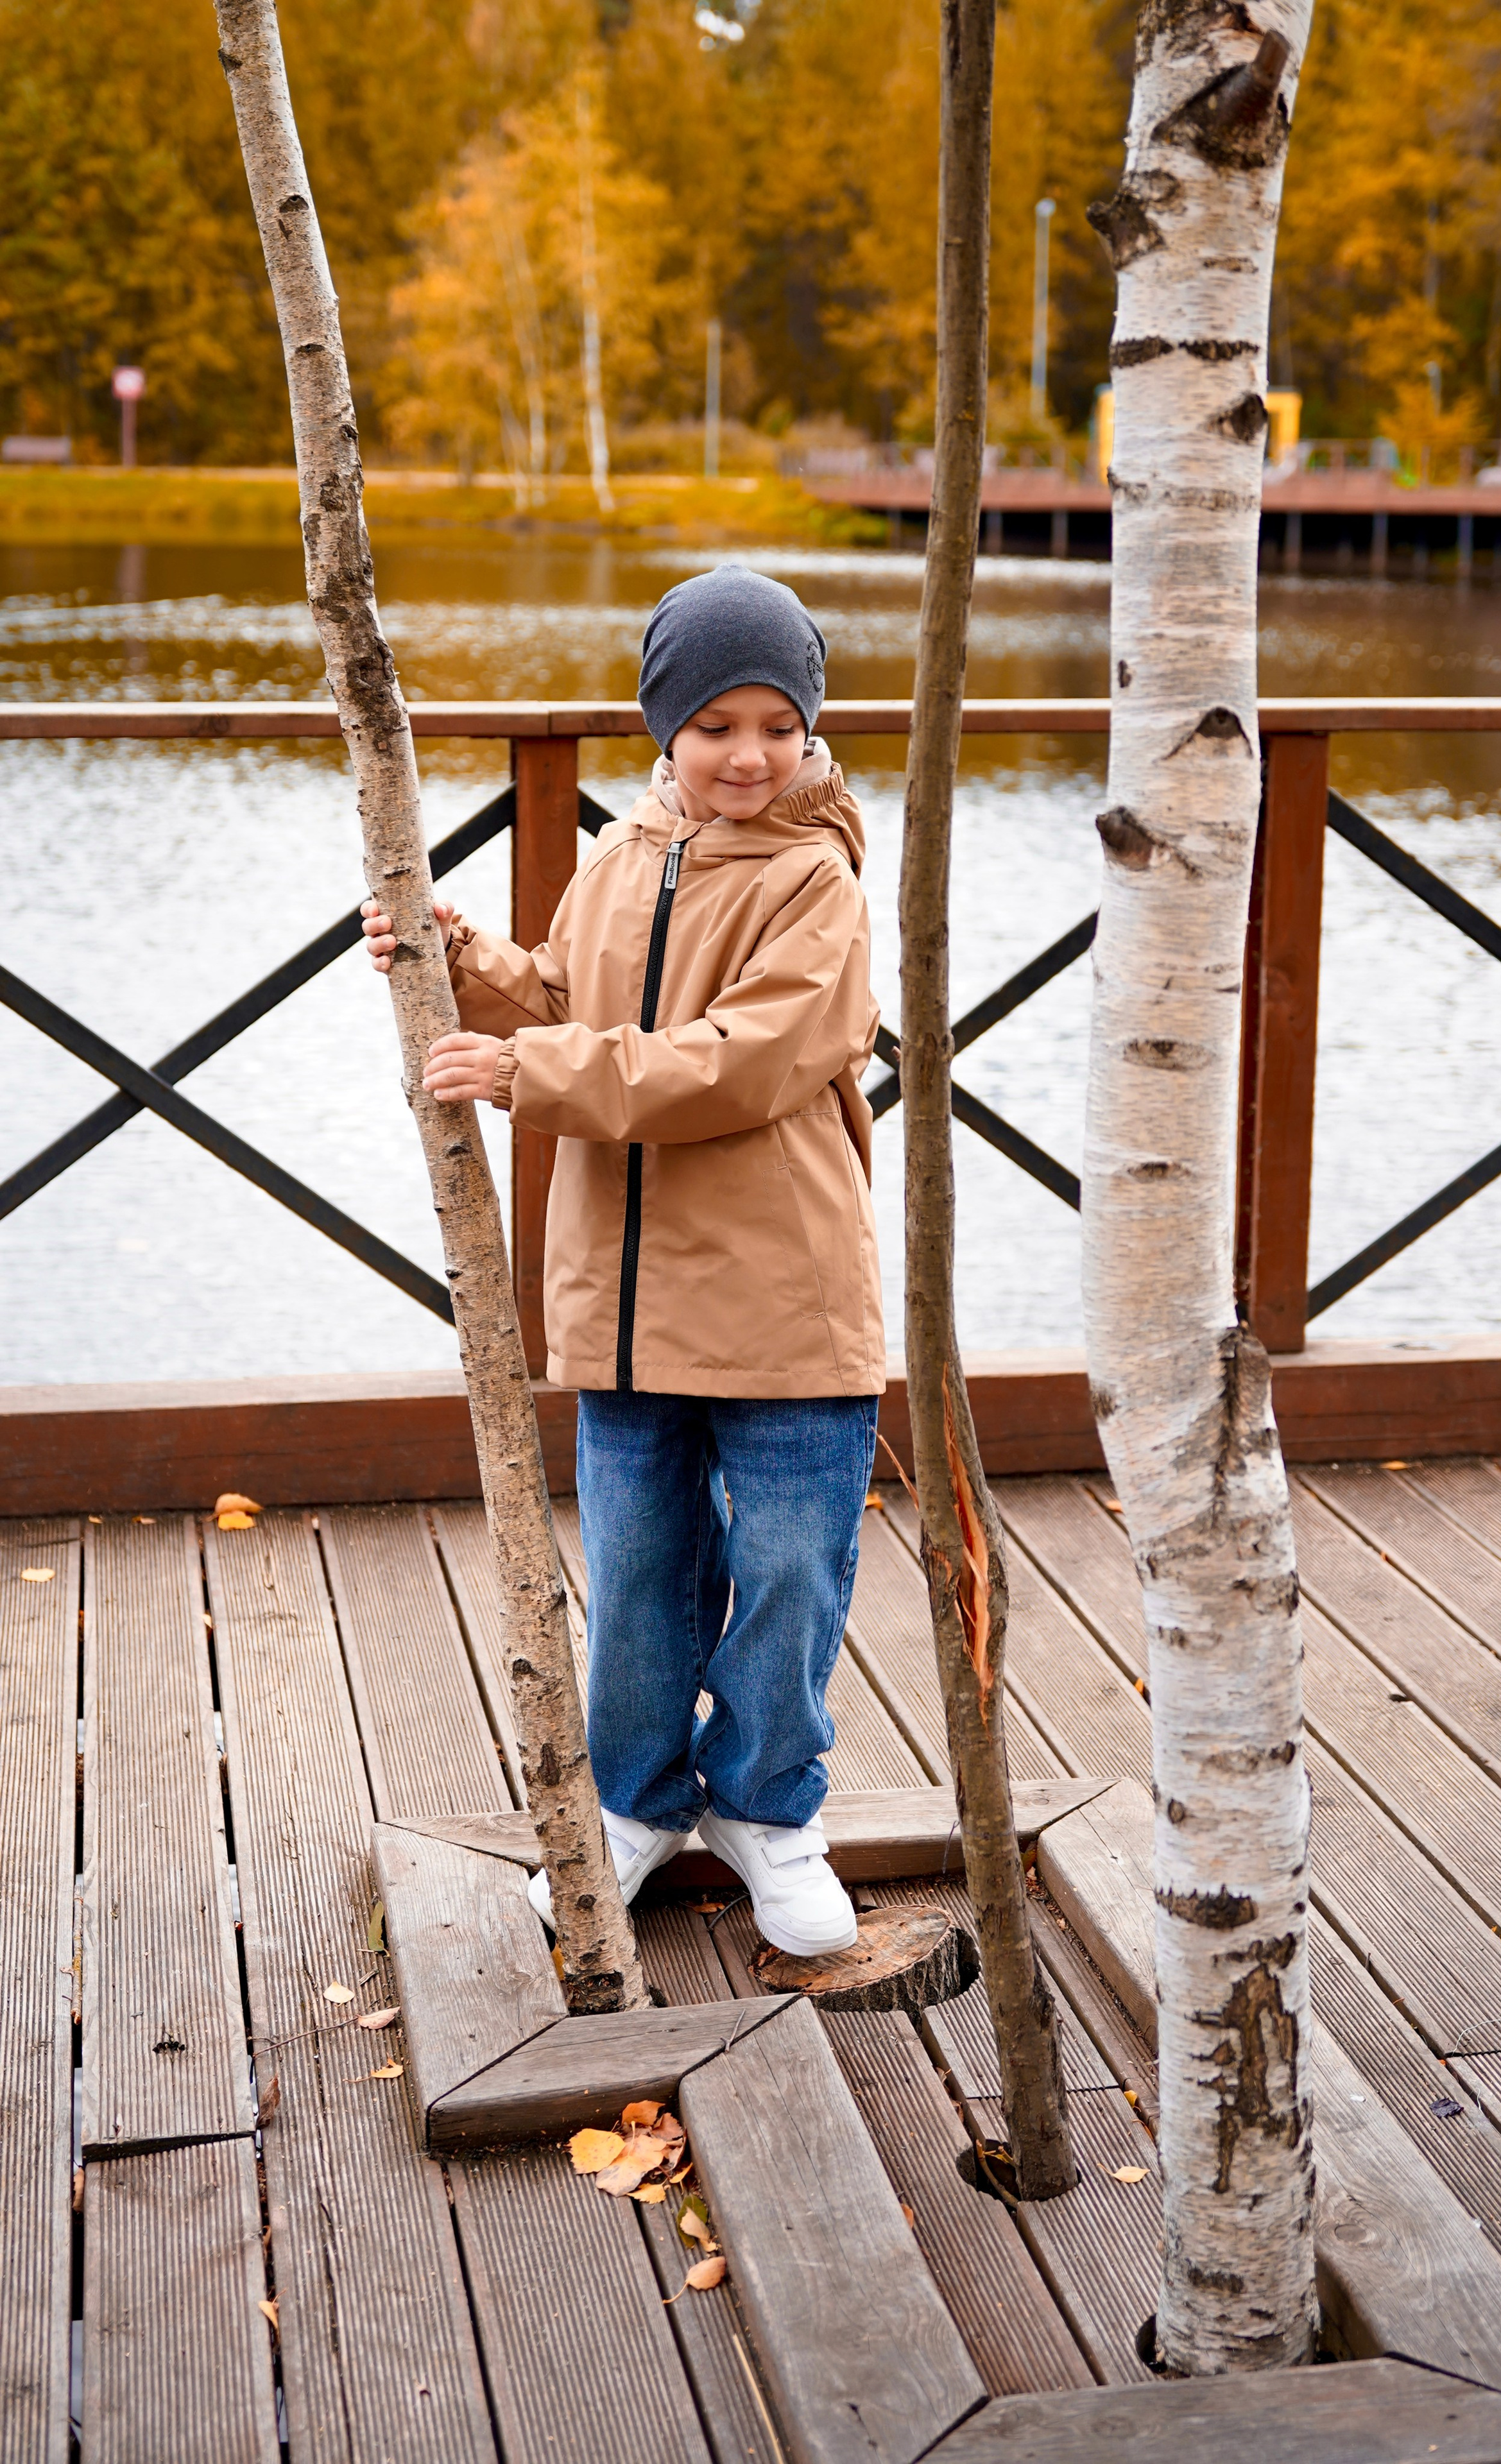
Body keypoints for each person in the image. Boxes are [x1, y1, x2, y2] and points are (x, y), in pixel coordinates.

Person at [361, 565, 884, 1956]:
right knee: (643, 1570)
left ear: (811, 730)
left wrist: (525, 1067)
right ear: (665, 726)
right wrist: (463, 963)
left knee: (786, 1571)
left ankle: (771, 1812)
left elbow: (736, 1064)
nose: (748, 755)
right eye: (714, 723)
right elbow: (565, 1001)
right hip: (624, 1301)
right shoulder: (625, 848)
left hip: (783, 1299)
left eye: (778, 722)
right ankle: (639, 1805)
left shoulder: (814, 880)